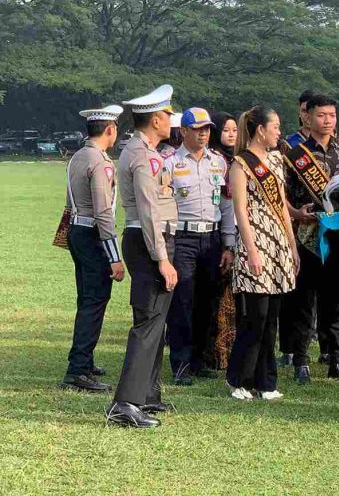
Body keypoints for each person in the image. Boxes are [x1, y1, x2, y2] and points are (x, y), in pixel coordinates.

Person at [106, 84, 178, 428]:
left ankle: (147, 394)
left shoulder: (146, 150)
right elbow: (149, 212)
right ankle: (126, 403)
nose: (170, 120)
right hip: (150, 240)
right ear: (154, 120)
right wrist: (162, 258)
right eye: (167, 114)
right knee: (148, 323)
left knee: (156, 321)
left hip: (151, 239)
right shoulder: (143, 155)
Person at [280, 94, 339, 384]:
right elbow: (280, 195)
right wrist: (297, 214)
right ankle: (300, 361)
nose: (327, 121)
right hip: (305, 237)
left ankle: (337, 359)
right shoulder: (291, 152)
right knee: (302, 302)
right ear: (307, 117)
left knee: (336, 300)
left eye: (332, 115)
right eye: (321, 115)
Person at [225, 105, 298, 400]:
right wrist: (252, 251)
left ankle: (266, 382)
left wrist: (292, 246)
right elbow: (240, 211)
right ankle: (238, 378)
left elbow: (282, 205)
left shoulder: (278, 160)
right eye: (276, 126)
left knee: (272, 318)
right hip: (255, 242)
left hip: (278, 241)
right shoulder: (241, 164)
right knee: (256, 315)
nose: (279, 132)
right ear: (261, 130)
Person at [163, 107, 236, 385]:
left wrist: (228, 244)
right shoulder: (170, 162)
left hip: (213, 238)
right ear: (183, 131)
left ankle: (200, 359)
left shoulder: (218, 162)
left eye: (207, 129)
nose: (204, 134)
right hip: (183, 238)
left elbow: (227, 205)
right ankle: (180, 363)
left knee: (207, 300)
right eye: (197, 129)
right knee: (183, 302)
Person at [59, 105, 125, 393]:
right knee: (94, 300)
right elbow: (103, 213)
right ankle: (78, 370)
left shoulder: (78, 156)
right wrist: (115, 257)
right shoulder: (100, 162)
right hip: (92, 233)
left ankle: (83, 362)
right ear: (110, 130)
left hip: (77, 230)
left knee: (87, 298)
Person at [277, 90, 315, 369]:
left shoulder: (336, 147)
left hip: (323, 228)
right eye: (303, 109)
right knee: (293, 292)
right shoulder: (288, 145)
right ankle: (290, 347)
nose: (306, 114)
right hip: (293, 225)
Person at [207, 111, 239, 370]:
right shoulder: (213, 160)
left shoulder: (240, 160)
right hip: (213, 232)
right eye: (226, 129)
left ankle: (228, 350)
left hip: (236, 232)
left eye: (235, 129)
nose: (231, 134)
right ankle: (213, 351)